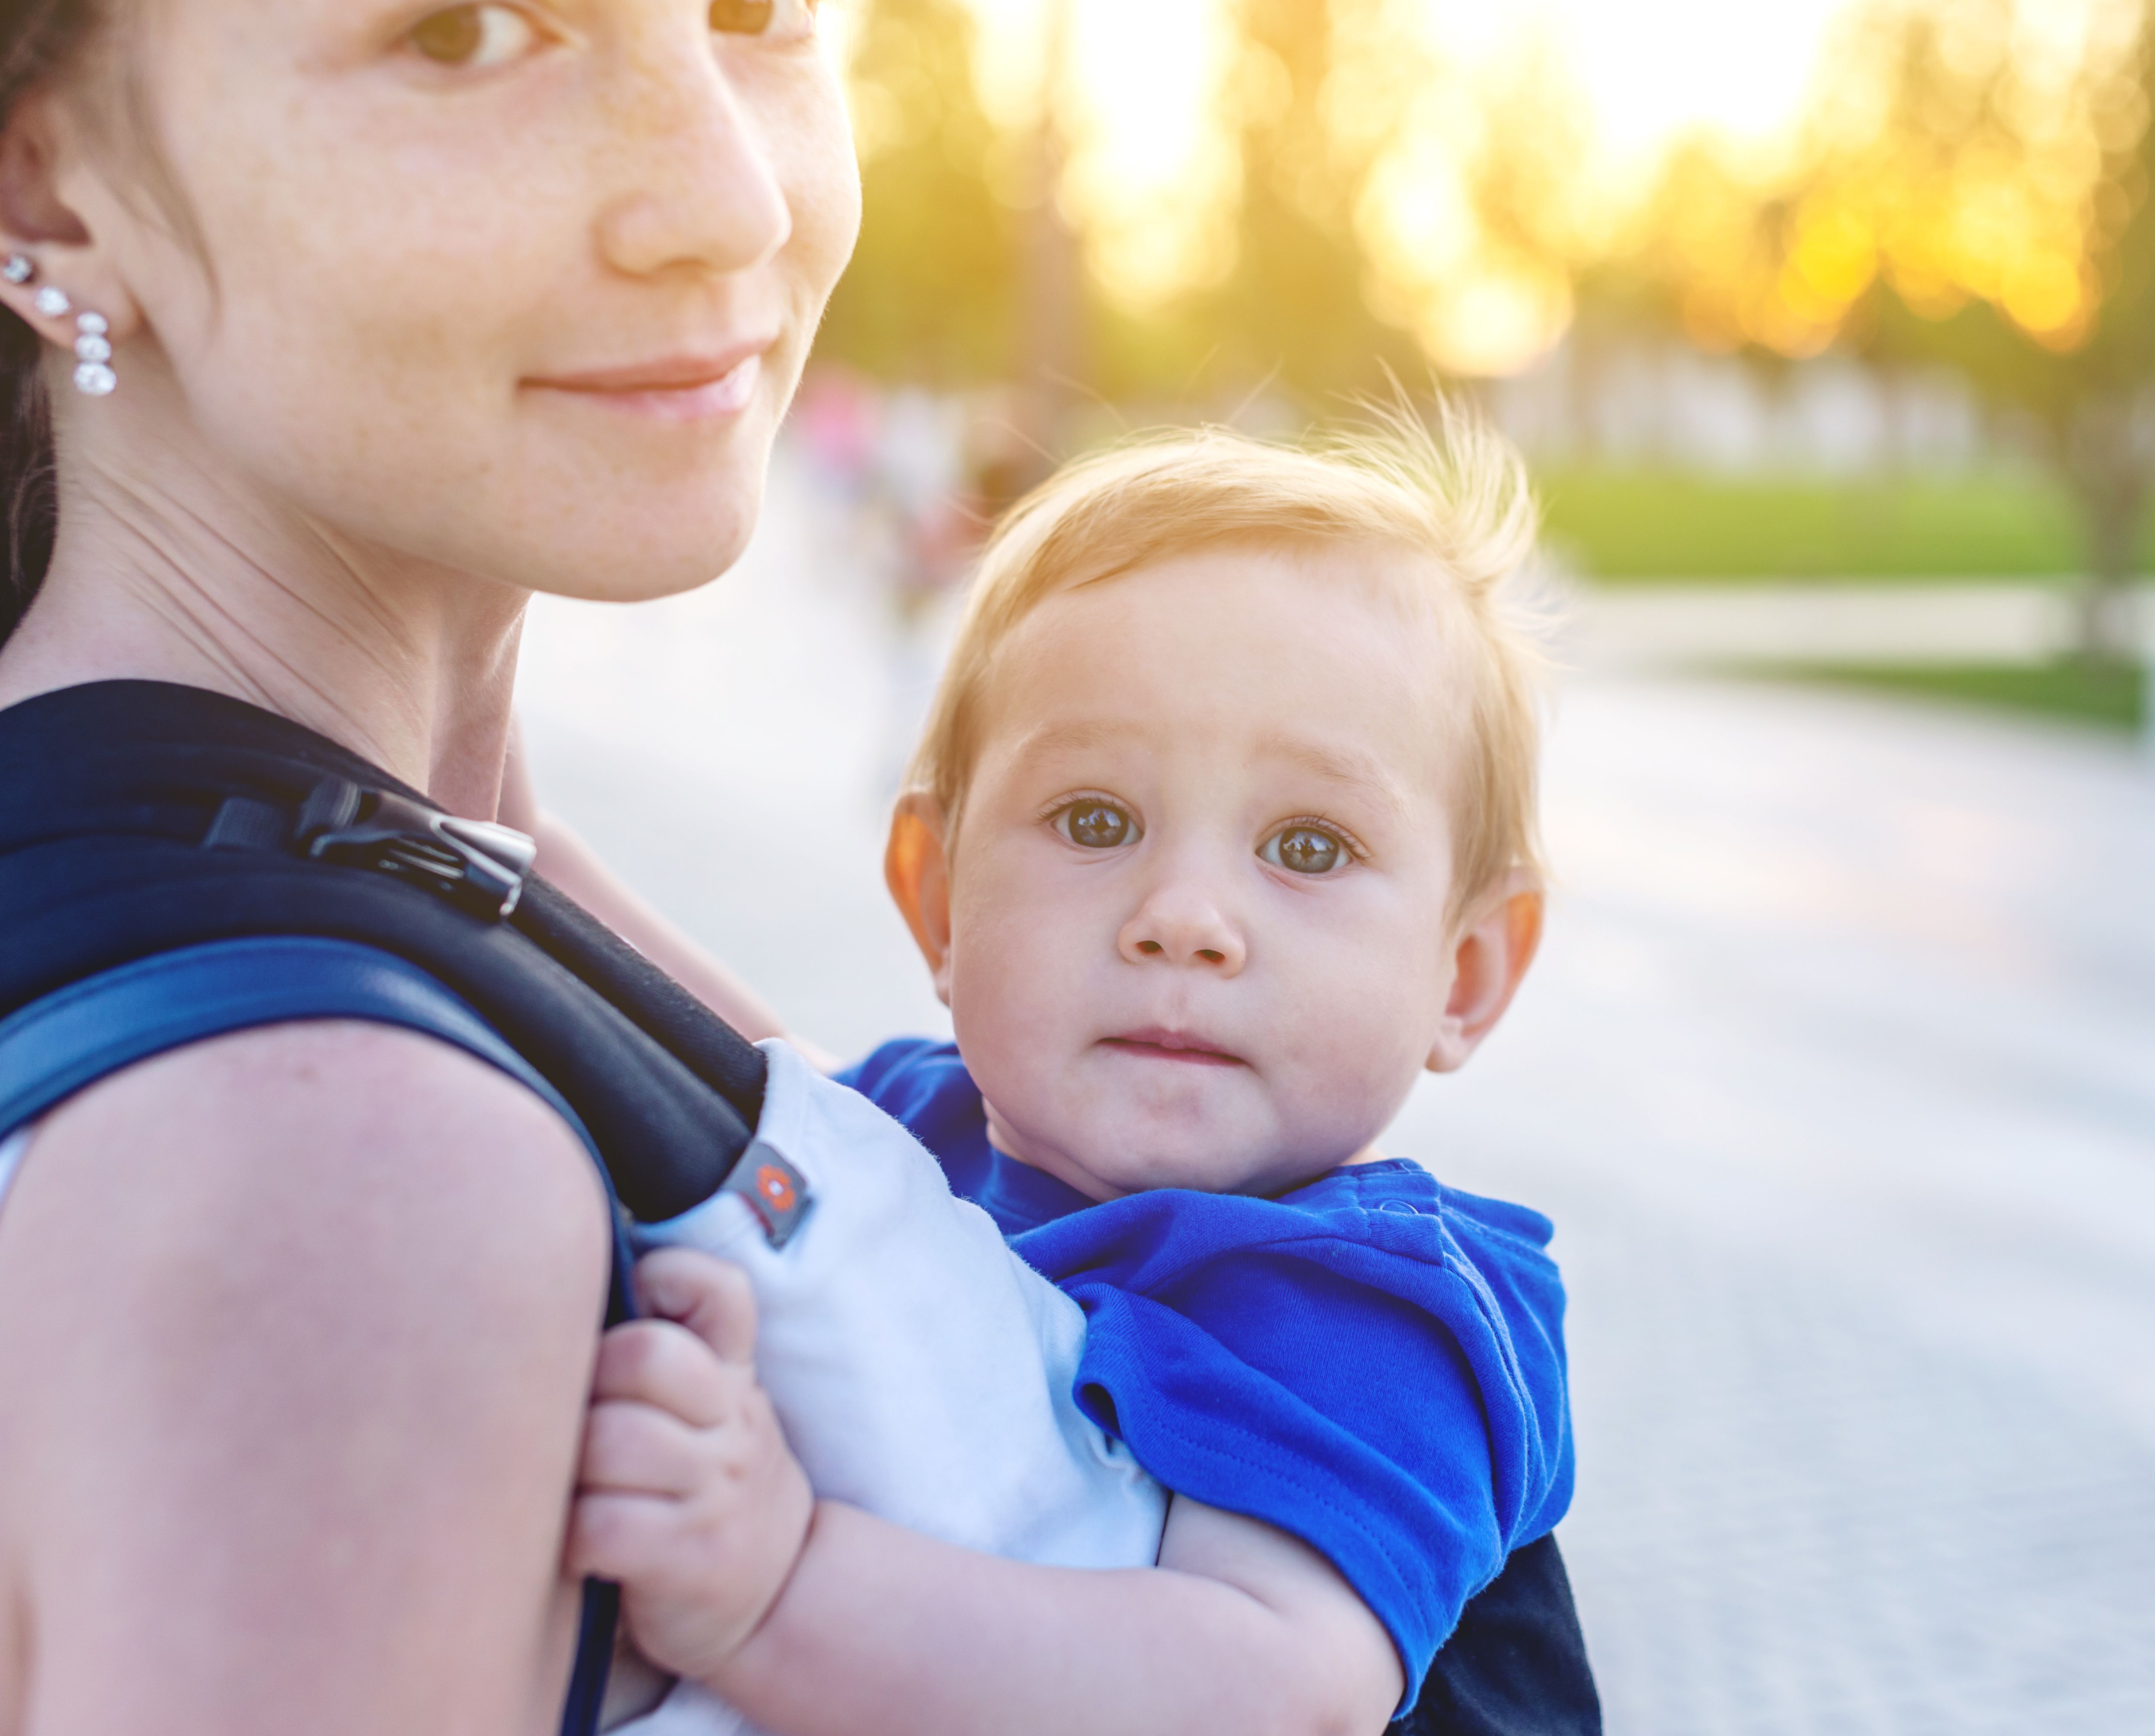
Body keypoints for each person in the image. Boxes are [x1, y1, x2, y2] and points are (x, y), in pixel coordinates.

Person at [0, 0, 861, 1727]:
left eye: (757, 13)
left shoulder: (433, 921)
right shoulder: (332, 1169)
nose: (731, 197)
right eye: (467, 33)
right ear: (58, 200)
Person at [546, 415, 1576, 1735]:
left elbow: (1260, 1690)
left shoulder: (1374, 1308)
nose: (1186, 916)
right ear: (938, 900)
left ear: (1470, 969)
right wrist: (523, 870)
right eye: (1097, 822)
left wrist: (777, 1591)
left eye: (1309, 847)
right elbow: (755, 1094)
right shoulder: (936, 1121)